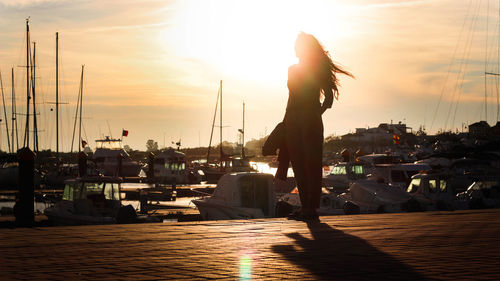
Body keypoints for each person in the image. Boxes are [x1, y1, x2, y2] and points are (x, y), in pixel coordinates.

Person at [284, 32, 353, 221]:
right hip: (297, 120)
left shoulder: (315, 70)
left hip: (306, 121)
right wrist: (288, 121)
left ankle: (310, 209)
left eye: (297, 45)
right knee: (299, 164)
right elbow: (293, 99)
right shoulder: (293, 69)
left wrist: (312, 115)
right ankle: (306, 207)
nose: (294, 48)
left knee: (310, 164)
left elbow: (329, 99)